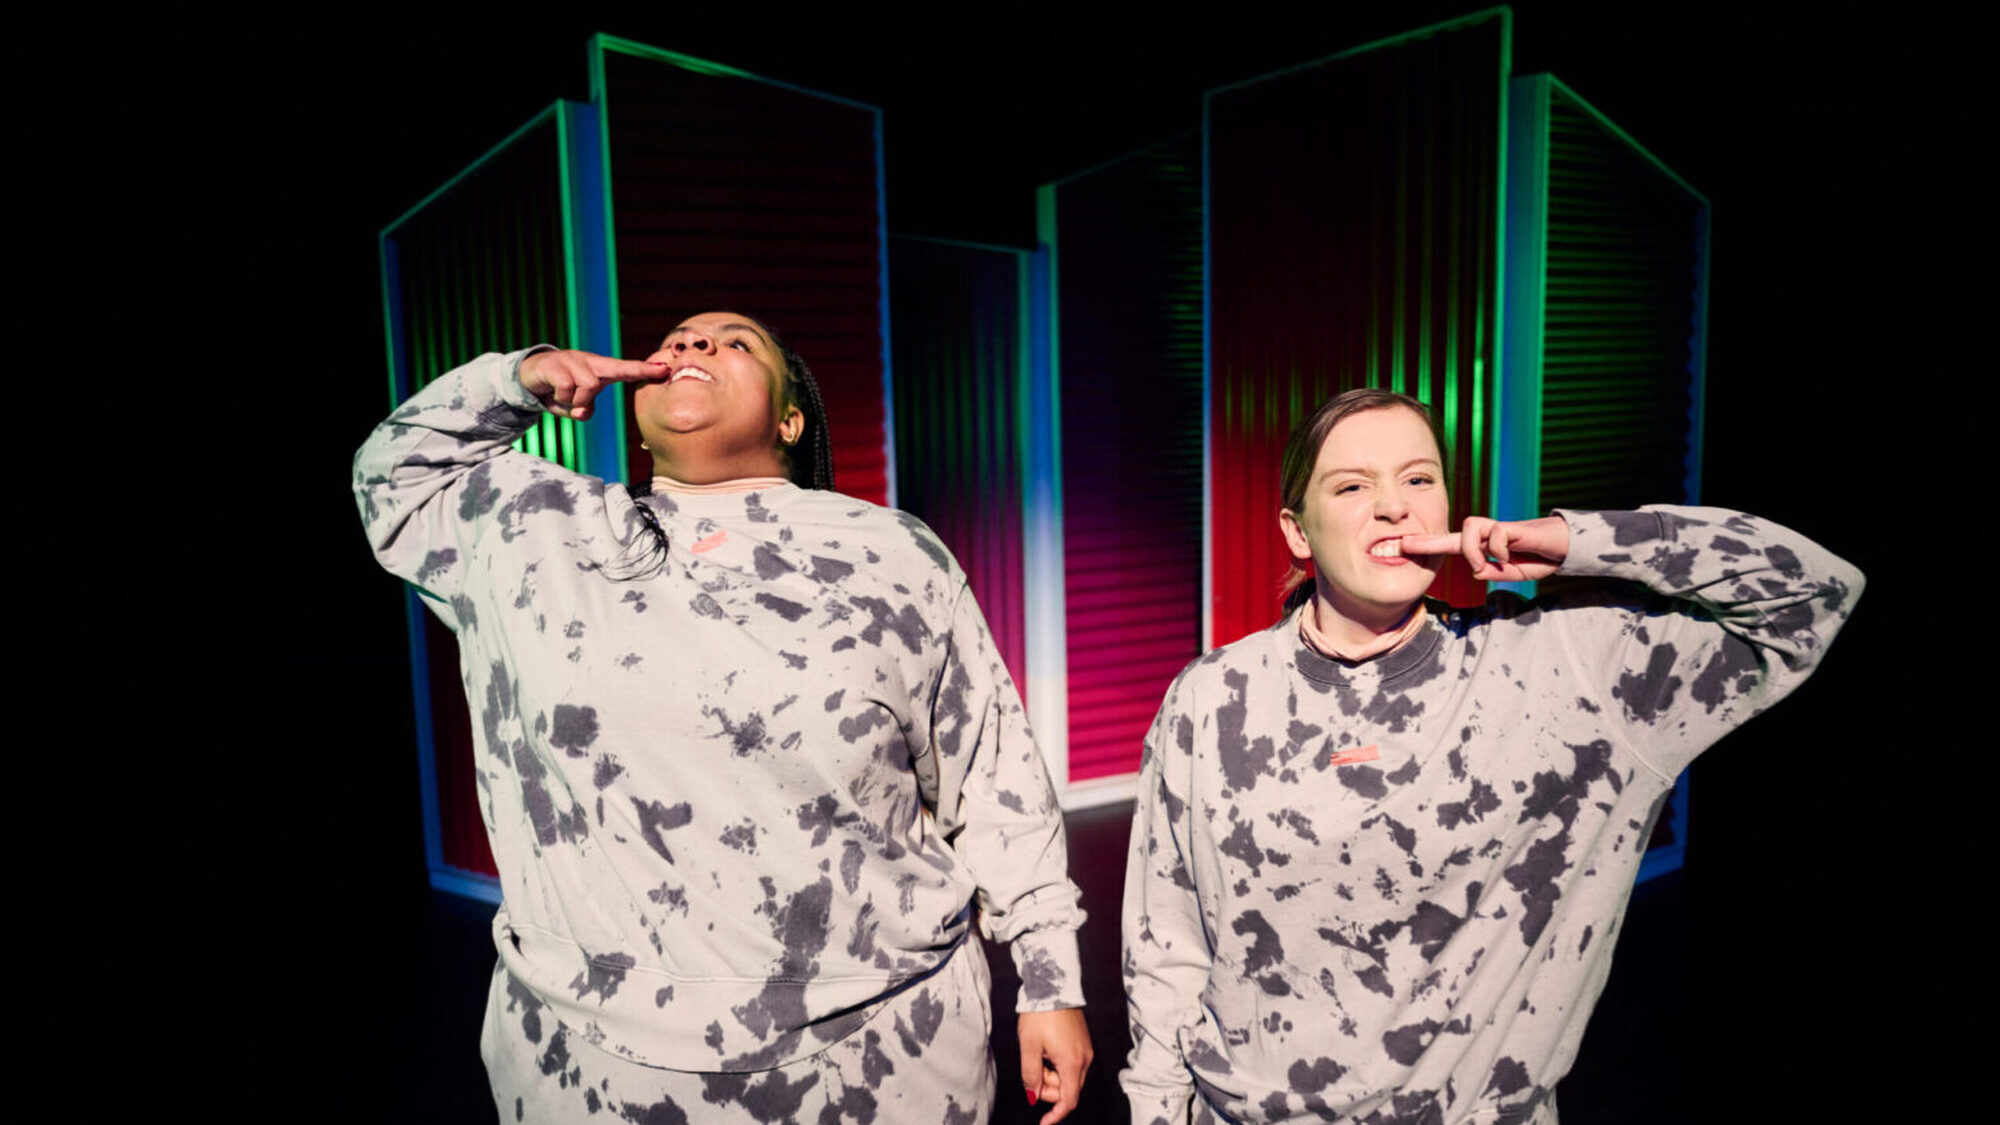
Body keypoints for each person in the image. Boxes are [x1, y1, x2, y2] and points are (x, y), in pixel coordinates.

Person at [355, 313, 1093, 1123]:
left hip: (882, 1055)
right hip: (591, 1072)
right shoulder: (534, 530)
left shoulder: (893, 552)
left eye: (736, 342)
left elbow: (993, 778)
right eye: (677, 339)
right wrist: (516, 379)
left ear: (790, 420)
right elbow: (392, 477)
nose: (693, 345)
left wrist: (1050, 978)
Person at [1119, 388, 1861, 1124]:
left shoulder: (1565, 670)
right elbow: (1166, 943)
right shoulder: (1212, 698)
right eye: (1353, 486)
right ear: (1298, 531)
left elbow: (1813, 593)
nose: (1394, 507)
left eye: (1418, 479)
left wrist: (1574, 541)